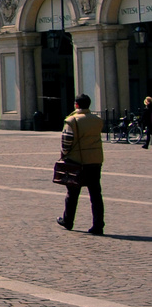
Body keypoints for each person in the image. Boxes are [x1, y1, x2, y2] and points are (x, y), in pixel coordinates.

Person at [57, 94, 105, 235]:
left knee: (72, 193)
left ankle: (68, 220)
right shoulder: (97, 120)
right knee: (96, 194)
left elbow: (66, 142)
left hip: (77, 160)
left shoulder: (72, 121)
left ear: (76, 105)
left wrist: (64, 154)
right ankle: (98, 225)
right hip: (95, 160)